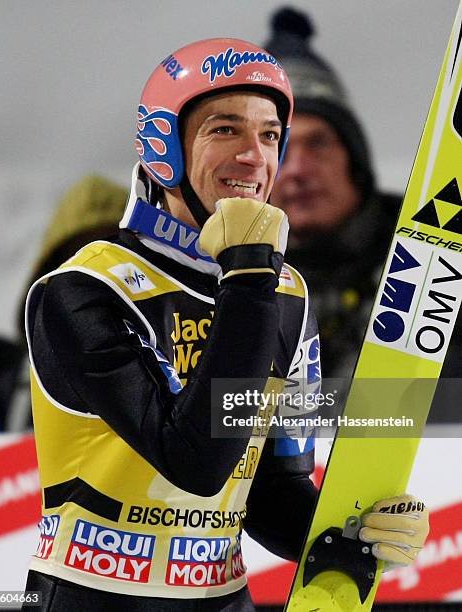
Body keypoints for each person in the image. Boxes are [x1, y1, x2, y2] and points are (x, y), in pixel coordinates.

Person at [22, 38, 429, 611]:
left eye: (268, 135)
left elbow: (271, 489)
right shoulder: (84, 289)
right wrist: (246, 276)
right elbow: (196, 462)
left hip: (224, 598)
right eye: (224, 130)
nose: (254, 156)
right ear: (163, 148)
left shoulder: (285, 293)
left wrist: (348, 534)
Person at [264, 8, 402, 380]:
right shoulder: (205, 275)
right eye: (278, 149)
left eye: (318, 143)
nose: (296, 170)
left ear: (354, 162)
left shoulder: (438, 256)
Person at [0, 175, 128, 431]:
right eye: (79, 258)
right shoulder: (14, 392)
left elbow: (225, 433)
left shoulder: (202, 349)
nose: (95, 275)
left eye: (112, 254)